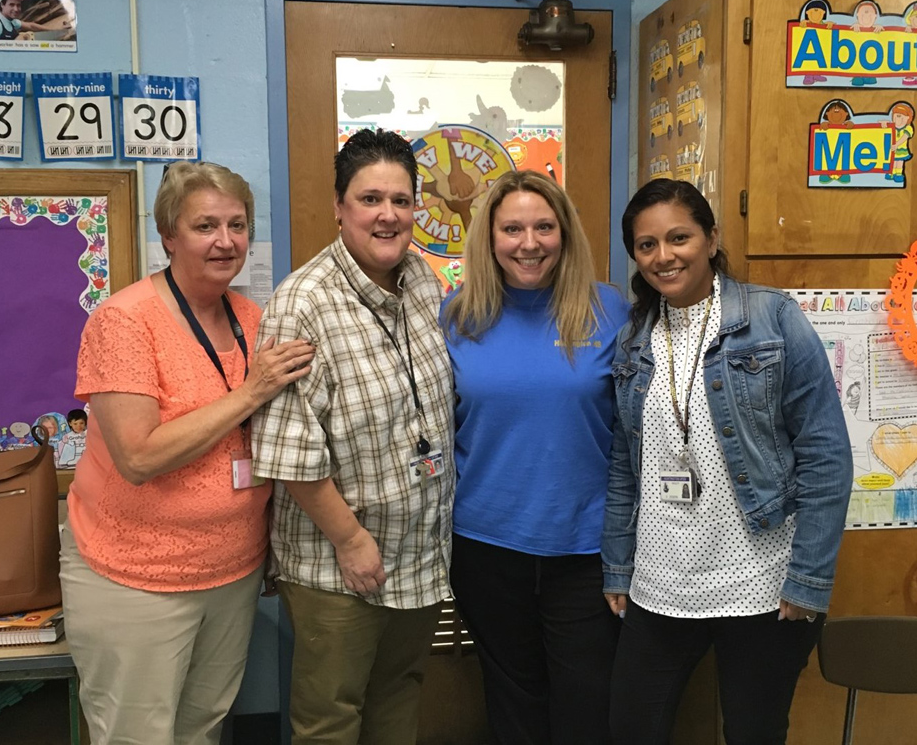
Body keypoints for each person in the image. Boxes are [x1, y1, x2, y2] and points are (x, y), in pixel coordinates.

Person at [59, 161, 315, 745]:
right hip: (134, 576)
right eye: (205, 226)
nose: (226, 241)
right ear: (169, 236)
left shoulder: (253, 320)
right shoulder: (125, 321)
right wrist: (253, 390)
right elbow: (138, 457)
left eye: (238, 225)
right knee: (136, 735)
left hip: (232, 571)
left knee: (201, 729)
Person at [602, 178, 853, 745]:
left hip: (764, 586)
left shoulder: (773, 320)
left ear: (711, 239)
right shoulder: (634, 340)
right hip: (659, 584)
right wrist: (618, 562)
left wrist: (808, 579)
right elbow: (625, 463)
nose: (664, 256)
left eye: (679, 237)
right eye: (646, 245)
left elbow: (827, 456)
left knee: (754, 734)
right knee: (630, 728)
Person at [252, 128, 455, 745]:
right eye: (370, 199)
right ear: (340, 208)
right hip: (339, 560)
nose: (388, 214)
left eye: (401, 199)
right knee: (331, 718)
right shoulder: (302, 303)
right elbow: (288, 447)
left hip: (419, 548)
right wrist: (350, 540)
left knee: (401, 695)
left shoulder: (422, 278)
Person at [441, 170, 630, 745]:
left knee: (587, 703)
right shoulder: (456, 317)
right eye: (513, 228)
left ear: (565, 233)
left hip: (586, 549)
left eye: (544, 227)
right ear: (489, 237)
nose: (529, 243)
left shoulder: (610, 311)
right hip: (486, 545)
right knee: (512, 698)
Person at [0, 0, 70, 40]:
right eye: (11, 5)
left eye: (18, 5)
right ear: (2, 5)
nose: (16, 9)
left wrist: (56, 30)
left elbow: (31, 26)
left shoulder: (10, 21)